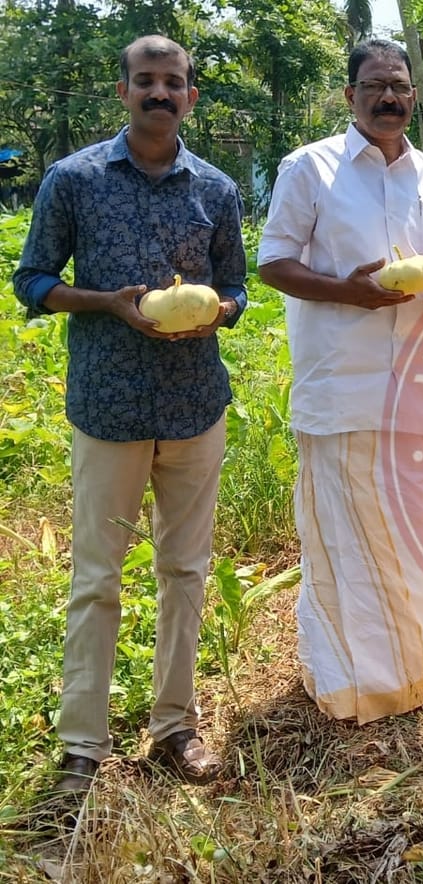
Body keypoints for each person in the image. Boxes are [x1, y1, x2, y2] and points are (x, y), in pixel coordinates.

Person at [12, 35, 247, 795]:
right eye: (145, 80)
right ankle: (82, 744)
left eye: (173, 82)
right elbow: (32, 280)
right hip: (107, 405)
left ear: (190, 96)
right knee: (96, 577)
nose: (159, 92)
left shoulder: (215, 188)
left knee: (185, 570)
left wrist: (219, 313)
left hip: (193, 407)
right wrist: (106, 303)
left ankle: (175, 726)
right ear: (123, 91)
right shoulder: (74, 179)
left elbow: (238, 288)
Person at [257, 39, 423, 723]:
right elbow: (273, 262)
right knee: (348, 540)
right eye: (375, 85)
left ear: (414, 96)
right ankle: (353, 681)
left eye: (399, 86)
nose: (389, 97)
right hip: (341, 385)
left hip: (417, 388)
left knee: (419, 526)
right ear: (350, 95)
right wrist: (346, 291)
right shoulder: (310, 168)